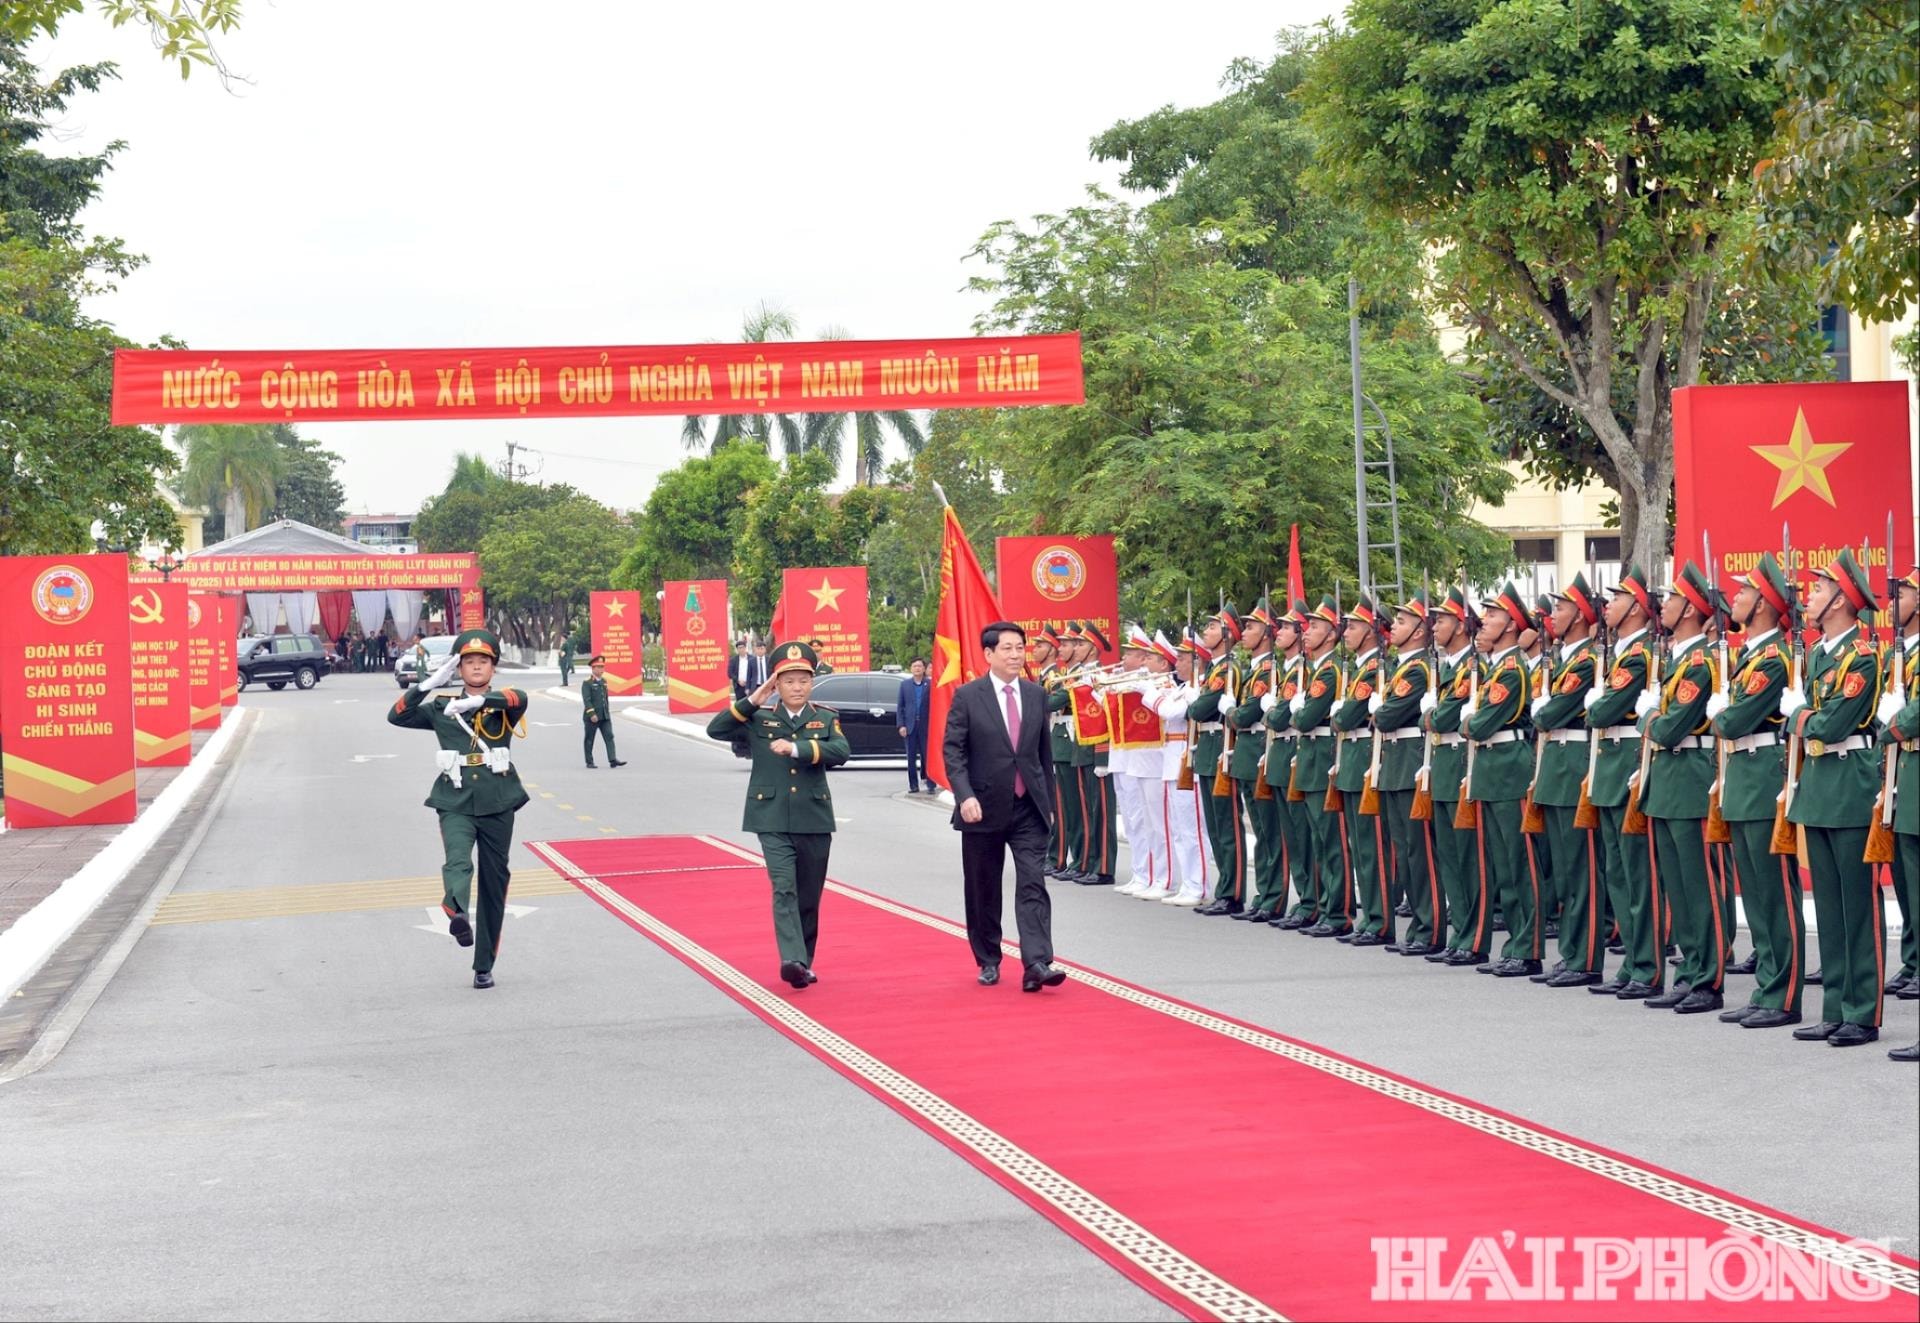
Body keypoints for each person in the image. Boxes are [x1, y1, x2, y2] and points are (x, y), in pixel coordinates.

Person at [387, 628, 530, 989]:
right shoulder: (441, 707)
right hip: (455, 798)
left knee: (495, 881)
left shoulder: (503, 702)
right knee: (458, 857)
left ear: (493, 668)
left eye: (484, 661)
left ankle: (484, 964)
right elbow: (397, 716)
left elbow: (519, 697)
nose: (477, 667)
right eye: (469, 662)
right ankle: (456, 909)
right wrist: (425, 685)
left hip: (499, 800)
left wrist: (480, 703)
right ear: (458, 669)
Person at [1784, 548, 1886, 1047]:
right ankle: (1834, 1008)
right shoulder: (1820, 654)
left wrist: (1799, 715)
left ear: (1843, 600)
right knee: (1826, 905)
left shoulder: (1861, 656)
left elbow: (1832, 723)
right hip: (1820, 783)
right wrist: (1804, 720)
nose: (1810, 596)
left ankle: (1862, 1012)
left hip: (1849, 782)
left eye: (1820, 589)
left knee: (1857, 907)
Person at [706, 641, 850, 989]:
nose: (797, 687)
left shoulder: (825, 717)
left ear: (811, 683)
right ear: (776, 684)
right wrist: (753, 698)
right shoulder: (759, 717)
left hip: (813, 818)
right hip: (770, 817)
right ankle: (792, 959)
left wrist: (798, 748)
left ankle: (805, 961)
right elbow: (716, 728)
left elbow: (841, 751)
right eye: (788, 681)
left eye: (803, 680)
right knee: (784, 887)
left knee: (808, 894)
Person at [944, 620, 1065, 992]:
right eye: (1008, 649)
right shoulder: (968, 696)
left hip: (1027, 806)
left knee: (1033, 882)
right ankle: (988, 959)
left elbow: (1043, 753)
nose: (1016, 655)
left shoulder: (1035, 695)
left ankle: (1037, 961)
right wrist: (965, 796)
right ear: (989, 654)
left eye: (1019, 648)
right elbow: (953, 751)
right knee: (983, 887)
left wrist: (1050, 802)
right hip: (981, 807)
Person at [1708, 552, 1801, 1028]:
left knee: (1773, 892)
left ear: (1763, 604)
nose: (1735, 597)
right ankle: (1767, 985)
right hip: (1742, 776)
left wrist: (1720, 711)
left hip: (1763, 773)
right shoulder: (1748, 655)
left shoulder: (1774, 657)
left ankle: (1783, 994)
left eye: (1743, 592)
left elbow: (1735, 720)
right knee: (1755, 893)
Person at [1464, 583, 1541, 977]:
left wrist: (1466, 721)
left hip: (1510, 767)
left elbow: (1478, 725)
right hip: (1493, 768)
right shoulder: (1497, 667)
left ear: (1512, 625)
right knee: (1504, 865)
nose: (1485, 620)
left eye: (1493, 616)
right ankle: (1515, 943)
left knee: (1519, 863)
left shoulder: (1511, 670)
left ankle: (1528, 947)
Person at [581, 655, 626, 768]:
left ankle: (612, 759)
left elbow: (605, 699)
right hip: (592, 717)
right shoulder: (587, 683)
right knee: (589, 739)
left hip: (604, 716)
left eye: (602, 667)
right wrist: (592, 714)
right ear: (593, 668)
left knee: (609, 736)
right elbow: (587, 700)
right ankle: (589, 761)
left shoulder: (604, 681)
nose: (602, 670)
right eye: (599, 667)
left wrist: (607, 713)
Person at [897, 657, 932, 793]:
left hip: (925, 726)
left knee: (927, 756)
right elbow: (900, 706)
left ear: (924, 669)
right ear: (911, 669)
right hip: (910, 726)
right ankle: (913, 785)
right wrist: (901, 725)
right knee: (911, 757)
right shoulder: (905, 685)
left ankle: (930, 784)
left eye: (920, 666)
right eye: (914, 666)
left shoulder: (929, 684)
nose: (917, 668)